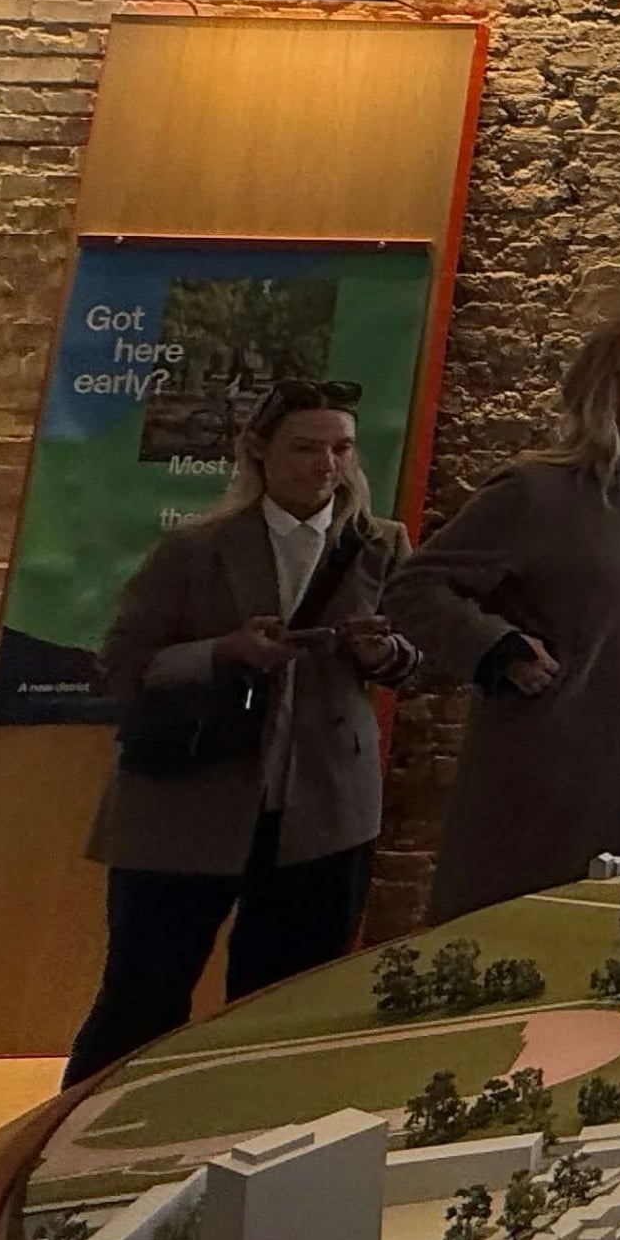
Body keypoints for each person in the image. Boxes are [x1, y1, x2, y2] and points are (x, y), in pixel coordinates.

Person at [65, 380, 421, 1084]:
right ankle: (84, 1136)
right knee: (142, 998)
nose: (327, 466)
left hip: (321, 809)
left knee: (285, 1007)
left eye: (342, 449)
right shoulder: (195, 549)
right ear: (258, 451)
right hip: (188, 802)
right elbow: (122, 664)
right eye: (307, 448)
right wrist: (224, 651)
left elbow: (418, 660)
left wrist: (382, 653)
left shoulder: (380, 546)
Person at [390, 315, 620, 920]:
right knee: (542, 910)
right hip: (560, 747)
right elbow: (416, 587)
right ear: (611, 384)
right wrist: (499, 648)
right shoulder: (534, 492)